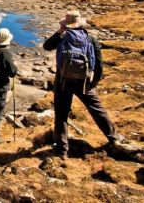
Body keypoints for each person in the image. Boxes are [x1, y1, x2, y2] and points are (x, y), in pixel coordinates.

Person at [43, 9, 123, 158]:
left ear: (66, 23)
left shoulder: (63, 37)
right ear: (80, 23)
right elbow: (99, 64)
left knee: (61, 114)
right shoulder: (90, 38)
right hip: (85, 82)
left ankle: (62, 149)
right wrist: (93, 83)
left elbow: (46, 46)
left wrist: (60, 31)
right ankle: (114, 138)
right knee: (97, 110)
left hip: (63, 81)